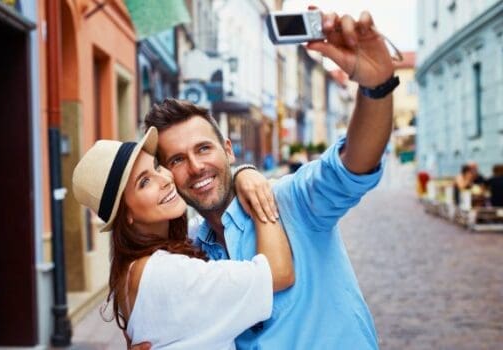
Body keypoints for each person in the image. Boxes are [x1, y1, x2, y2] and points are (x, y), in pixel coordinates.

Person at [135, 7, 397, 349]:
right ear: (167, 174)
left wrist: (376, 88)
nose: (197, 167)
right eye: (178, 159)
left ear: (228, 151)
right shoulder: (194, 256)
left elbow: (351, 167)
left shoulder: (292, 202)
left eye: (203, 149)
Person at [72, 127, 295, 349]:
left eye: (157, 167)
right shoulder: (166, 274)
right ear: (126, 213)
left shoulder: (132, 269)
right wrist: (256, 189)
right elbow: (278, 273)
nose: (165, 179)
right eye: (144, 182)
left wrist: (239, 173)